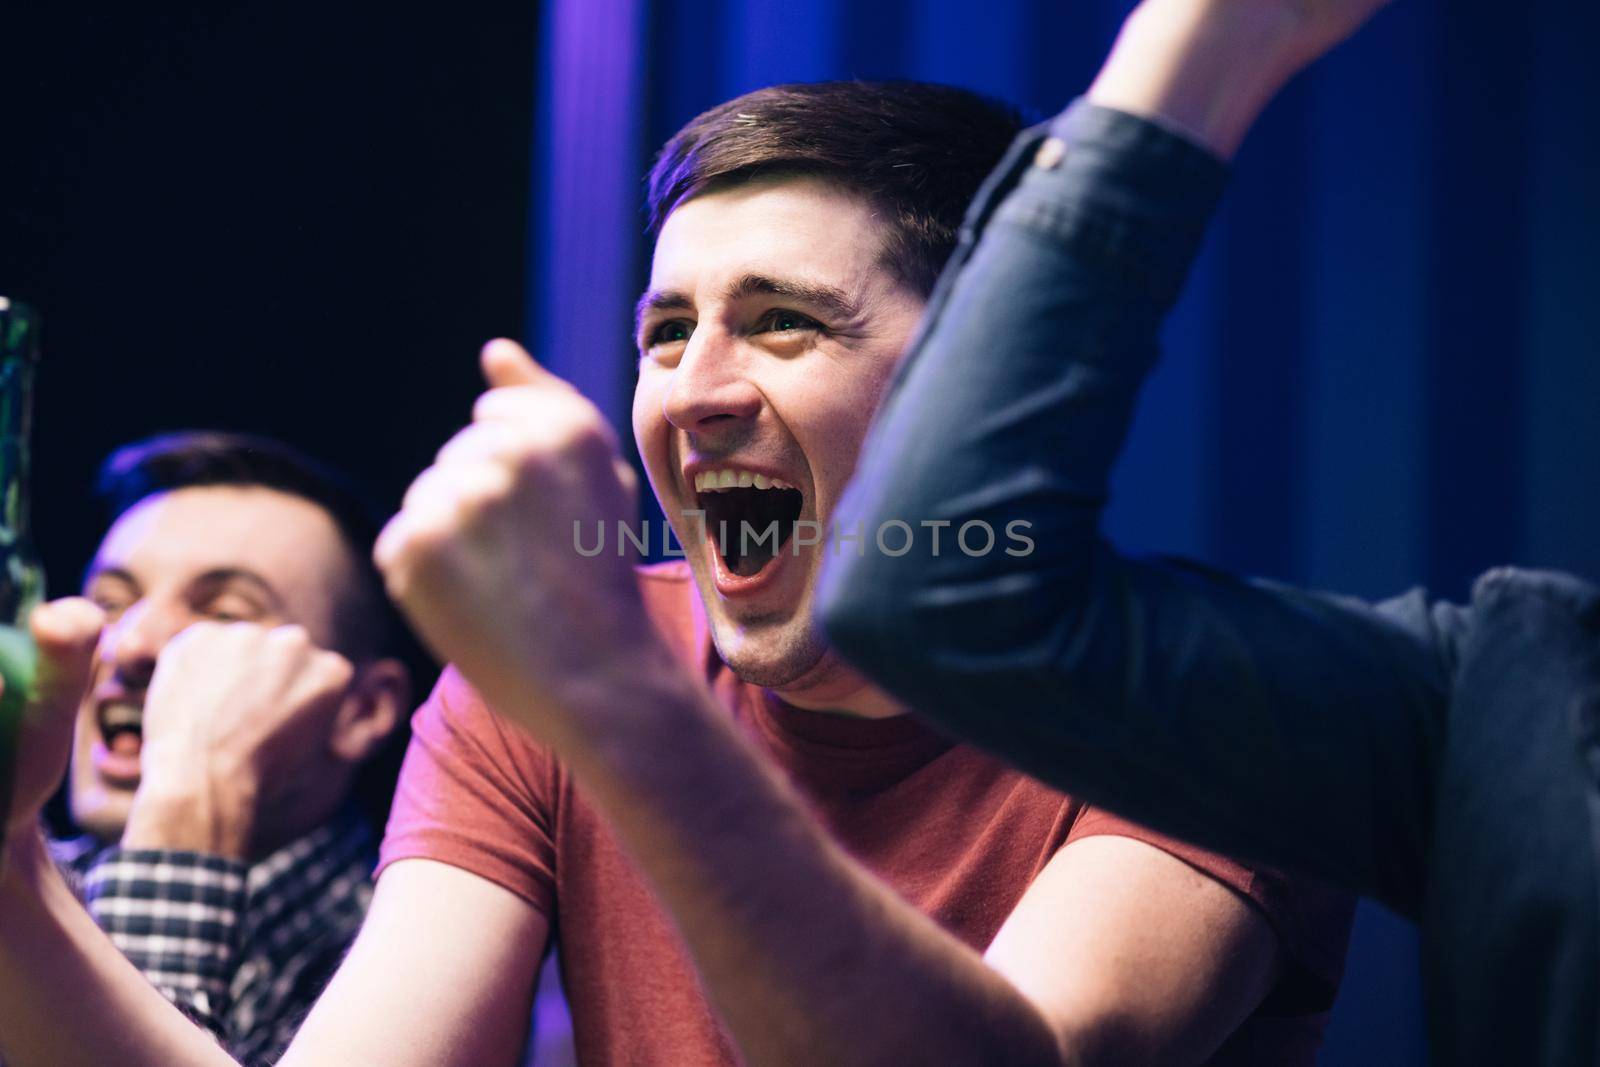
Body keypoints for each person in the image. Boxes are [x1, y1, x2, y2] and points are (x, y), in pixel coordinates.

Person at [0, 65, 1348, 1067]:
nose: (692, 391)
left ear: (979, 385)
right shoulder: (546, 688)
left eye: (784, 323)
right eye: (664, 331)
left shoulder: (1224, 704)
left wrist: (606, 693)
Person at [817, 0, 1598, 1065]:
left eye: (786, 320)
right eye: (664, 328)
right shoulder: (1511, 703)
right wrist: (1199, 42)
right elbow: (941, 595)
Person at [46, 431, 410, 1064]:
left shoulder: (411, 964)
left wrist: (185, 811)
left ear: (364, 708)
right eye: (110, 603)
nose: (129, 644)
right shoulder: (31, 892)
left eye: (223, 615)